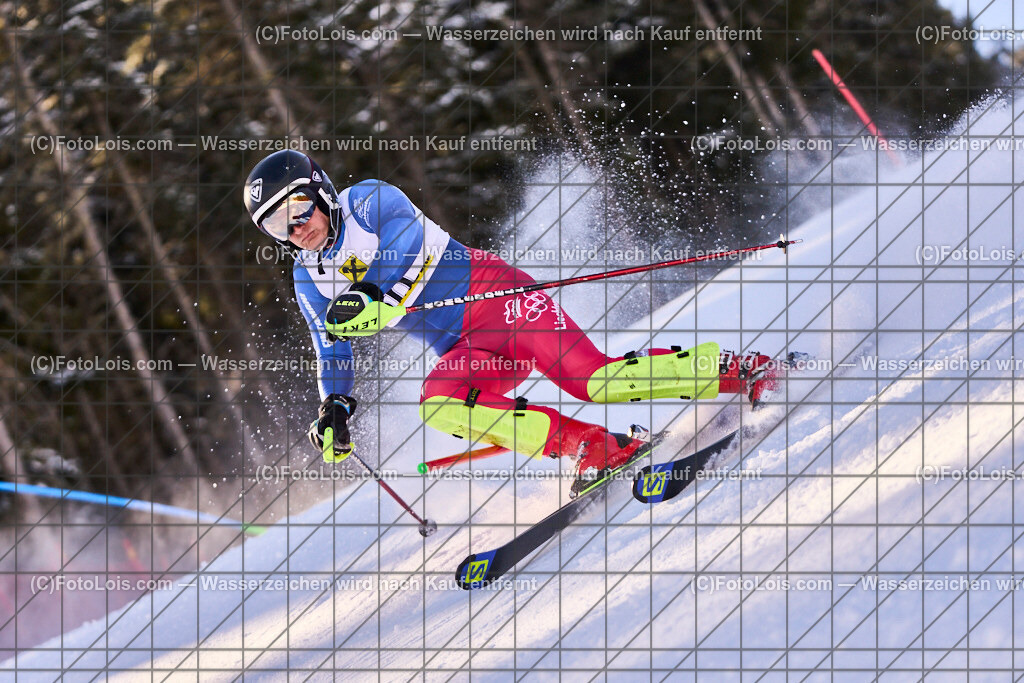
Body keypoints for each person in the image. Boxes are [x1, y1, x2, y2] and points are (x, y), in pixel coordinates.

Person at [243, 150, 776, 496]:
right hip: (468, 349)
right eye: (276, 226)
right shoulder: (309, 277)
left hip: (502, 301)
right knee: (438, 403)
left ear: (322, 192)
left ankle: (735, 369)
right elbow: (331, 347)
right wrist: (335, 406)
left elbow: (407, 241)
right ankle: (589, 446)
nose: (296, 229)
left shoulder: (367, 201)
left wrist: (377, 296)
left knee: (592, 380)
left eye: (298, 209)